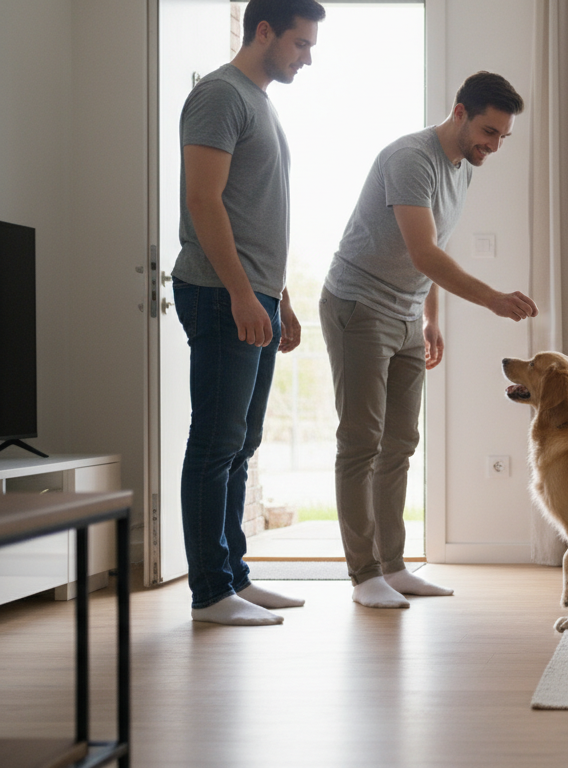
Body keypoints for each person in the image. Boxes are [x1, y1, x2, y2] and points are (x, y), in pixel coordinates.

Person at [320, 72, 538, 609]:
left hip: (405, 312)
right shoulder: (410, 159)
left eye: (502, 137)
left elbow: (433, 249)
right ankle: (363, 574)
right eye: (489, 131)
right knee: (360, 442)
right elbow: (423, 253)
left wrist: (430, 315)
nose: (494, 145)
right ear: (460, 112)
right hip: (359, 307)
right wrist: (490, 298)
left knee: (399, 444)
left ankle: (393, 567)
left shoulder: (463, 168)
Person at [172, 0, 326, 626]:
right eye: (300, 44)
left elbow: (255, 214)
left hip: (254, 291)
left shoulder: (259, 102)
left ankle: (233, 576)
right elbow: (204, 201)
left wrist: (278, 295)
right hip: (218, 291)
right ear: (264, 31)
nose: (307, 57)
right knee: (214, 443)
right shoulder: (220, 95)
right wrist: (239, 293)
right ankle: (210, 592)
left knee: (241, 443)